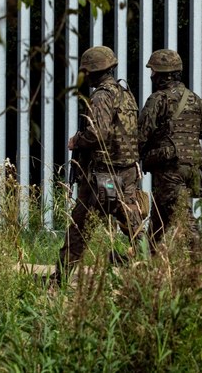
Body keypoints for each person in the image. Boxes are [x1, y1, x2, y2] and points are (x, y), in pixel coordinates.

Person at [55, 45, 143, 286]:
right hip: (126, 170)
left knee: (80, 222)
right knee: (130, 219)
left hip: (104, 173)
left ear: (93, 72)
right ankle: (151, 265)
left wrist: (77, 141)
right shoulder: (126, 93)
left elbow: (98, 134)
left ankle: (61, 278)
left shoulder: (102, 95)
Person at [138, 48, 202, 256]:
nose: (152, 76)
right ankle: (148, 255)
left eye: (153, 72)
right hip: (192, 167)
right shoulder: (194, 99)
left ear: (163, 75)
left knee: (182, 215)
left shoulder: (158, 99)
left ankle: (201, 259)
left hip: (170, 167)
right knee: (160, 217)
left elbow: (142, 135)